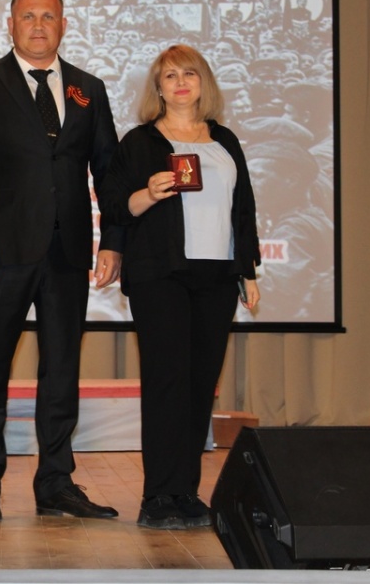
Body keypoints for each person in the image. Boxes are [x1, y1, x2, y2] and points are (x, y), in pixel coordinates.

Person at [0, 0, 124, 523]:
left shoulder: (88, 88)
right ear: (11, 25)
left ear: (63, 25)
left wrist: (113, 240)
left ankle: (56, 483)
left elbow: (109, 172)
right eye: (28, 16)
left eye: (48, 16)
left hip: (68, 253)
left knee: (62, 371)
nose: (38, 25)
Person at [97, 43, 261, 530]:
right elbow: (115, 205)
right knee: (167, 383)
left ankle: (186, 493)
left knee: (198, 386)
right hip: (161, 274)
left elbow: (243, 207)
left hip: (217, 276)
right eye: (170, 76)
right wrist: (148, 193)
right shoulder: (140, 141)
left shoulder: (224, 140)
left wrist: (248, 270)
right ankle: (158, 497)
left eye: (190, 73)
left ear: (203, 82)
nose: (181, 83)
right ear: (159, 89)